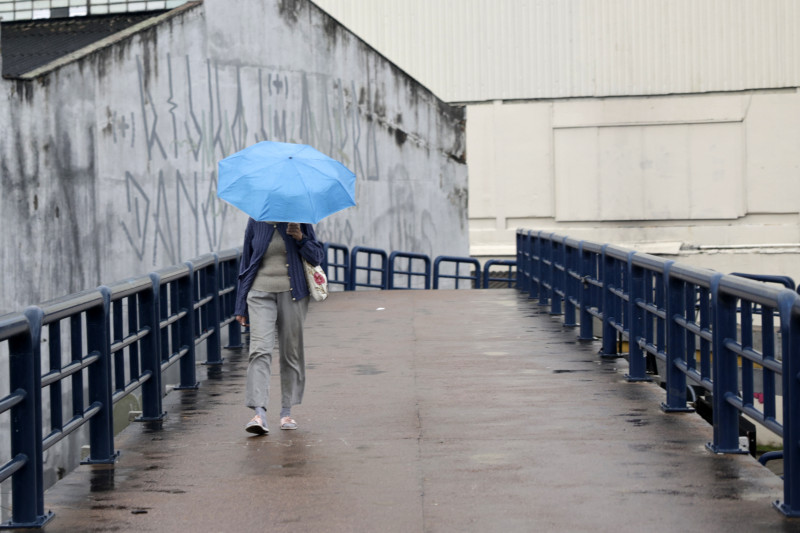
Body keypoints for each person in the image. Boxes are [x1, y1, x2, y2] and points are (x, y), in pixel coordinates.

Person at [234, 219, 324, 435]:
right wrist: (240, 305)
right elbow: (246, 261)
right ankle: (259, 413)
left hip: (294, 295)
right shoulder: (256, 220)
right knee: (259, 350)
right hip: (259, 293)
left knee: (290, 352)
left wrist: (300, 238)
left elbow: (317, 257)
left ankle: (286, 412)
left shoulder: (300, 219)